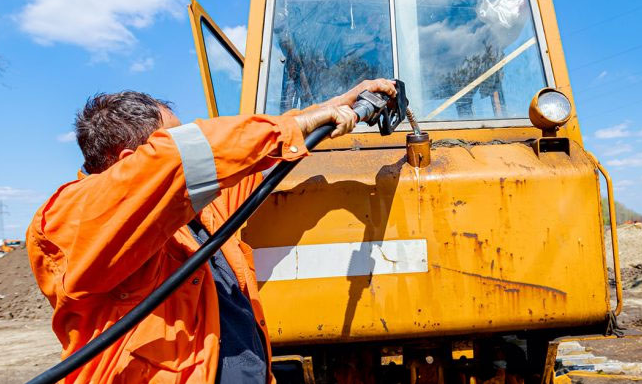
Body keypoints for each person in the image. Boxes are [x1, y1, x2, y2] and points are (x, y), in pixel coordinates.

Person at [27, 79, 397, 383]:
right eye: (173, 138)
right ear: (130, 163)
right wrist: (294, 126)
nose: (191, 145)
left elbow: (249, 159)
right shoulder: (72, 218)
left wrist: (330, 108)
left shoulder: (198, 210)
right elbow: (181, 158)